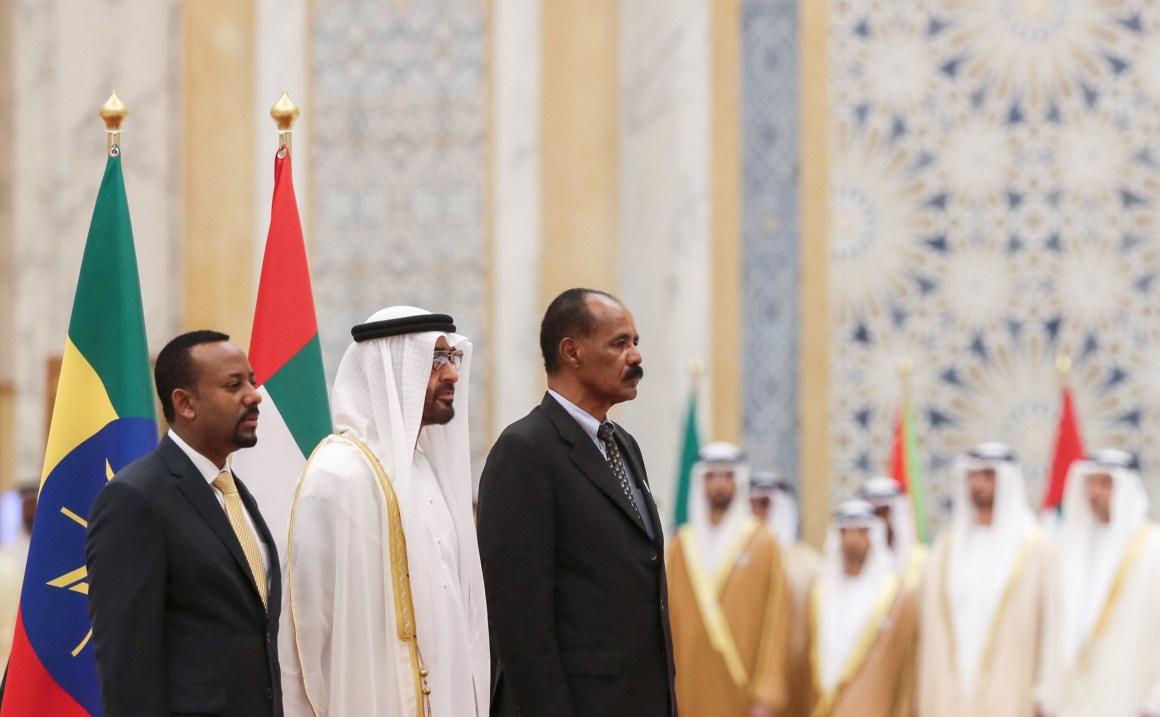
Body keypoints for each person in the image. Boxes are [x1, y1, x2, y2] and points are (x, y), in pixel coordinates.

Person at [477, 288, 676, 717]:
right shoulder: (525, 450)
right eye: (620, 343)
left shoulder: (623, 444)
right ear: (571, 352)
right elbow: (520, 622)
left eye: (636, 342)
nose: (636, 357)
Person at [280, 307, 488, 716]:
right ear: (392, 373)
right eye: (434, 360)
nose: (452, 375)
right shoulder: (337, 475)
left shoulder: (426, 472)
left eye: (452, 359)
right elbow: (303, 633)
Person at [86, 330, 282, 716]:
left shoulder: (235, 491)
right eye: (233, 384)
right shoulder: (136, 497)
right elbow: (127, 663)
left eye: (252, 381)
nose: (254, 395)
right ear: (185, 403)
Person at [917, 442, 1050, 717]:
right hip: (949, 701)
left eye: (988, 476)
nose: (978, 485)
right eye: (972, 476)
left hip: (1012, 698)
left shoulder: (1037, 550)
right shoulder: (945, 549)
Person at [667, 443, 790, 717]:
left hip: (743, 692)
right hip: (689, 687)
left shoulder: (763, 543)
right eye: (711, 477)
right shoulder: (679, 547)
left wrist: (767, 694)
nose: (719, 485)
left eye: (727, 476)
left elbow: (777, 622)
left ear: (739, 480)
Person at [1036, 449, 1160, 717]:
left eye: (1106, 483)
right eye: (1091, 483)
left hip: (1129, 698)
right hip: (1069, 700)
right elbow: (1054, 628)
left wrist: (1155, 701)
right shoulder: (1068, 549)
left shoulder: (1152, 548)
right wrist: (1045, 695)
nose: (1096, 492)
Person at [806, 500, 918, 717]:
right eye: (845, 532)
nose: (852, 540)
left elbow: (907, 665)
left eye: (861, 532)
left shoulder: (895, 596)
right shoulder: (820, 592)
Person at [749, 470, 820, 717]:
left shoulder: (810, 566)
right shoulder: (741, 567)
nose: (757, 511)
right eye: (751, 504)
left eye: (765, 503)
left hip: (797, 679)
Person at [858, 476, 925, 585]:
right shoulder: (850, 564)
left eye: (884, 513)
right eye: (874, 514)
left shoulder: (919, 560)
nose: (879, 522)